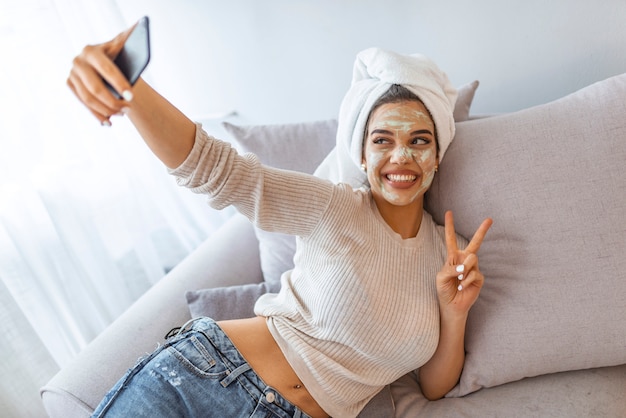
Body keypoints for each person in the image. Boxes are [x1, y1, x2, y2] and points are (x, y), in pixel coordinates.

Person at [68, 21, 492, 418]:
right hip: (206, 378)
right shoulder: (336, 207)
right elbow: (220, 172)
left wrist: (454, 313)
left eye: (419, 140)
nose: (401, 156)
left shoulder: (448, 258)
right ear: (361, 156)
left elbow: (434, 387)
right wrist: (132, 90)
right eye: (383, 140)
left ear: (437, 156)